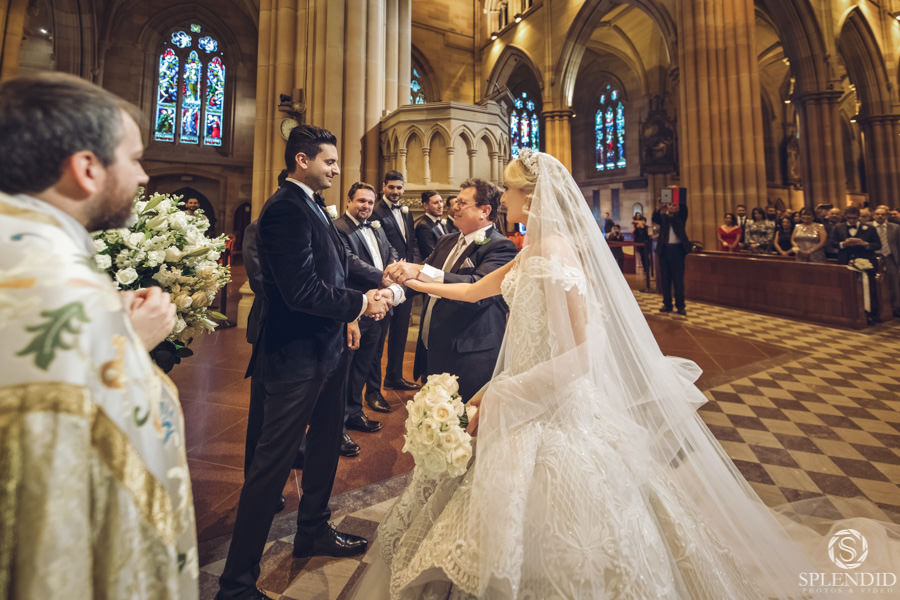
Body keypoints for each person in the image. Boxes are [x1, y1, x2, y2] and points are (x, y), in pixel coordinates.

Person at [353, 149, 900, 599]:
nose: (507, 200)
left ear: (531, 197)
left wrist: (508, 389)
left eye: (512, 191)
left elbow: (584, 353)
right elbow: (475, 290)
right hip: (520, 388)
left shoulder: (557, 254)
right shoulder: (531, 249)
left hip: (551, 401)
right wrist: (411, 281)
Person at [0, 73, 197, 598]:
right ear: (87, 169)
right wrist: (126, 343)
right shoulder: (62, 288)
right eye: (133, 158)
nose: (143, 176)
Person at [216, 125, 389, 600]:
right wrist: (361, 304)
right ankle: (236, 583)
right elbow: (302, 290)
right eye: (329, 161)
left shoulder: (313, 205)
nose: (335, 169)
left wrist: (382, 278)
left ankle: (312, 529)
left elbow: (340, 263)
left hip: (327, 349)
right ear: (302, 160)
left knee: (327, 444)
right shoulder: (285, 210)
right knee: (270, 468)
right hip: (295, 358)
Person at [386, 179, 518, 402]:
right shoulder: (446, 241)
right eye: (456, 201)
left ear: (485, 211)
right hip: (433, 346)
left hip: (468, 353)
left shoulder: (501, 247)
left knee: (464, 417)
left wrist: (419, 270)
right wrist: (391, 293)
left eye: (462, 203)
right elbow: (418, 278)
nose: (454, 207)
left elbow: (477, 286)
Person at [334, 181, 406, 452]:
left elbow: (391, 251)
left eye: (369, 202)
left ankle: (354, 412)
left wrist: (393, 272)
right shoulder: (339, 228)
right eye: (361, 201)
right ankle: (337, 426)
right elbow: (349, 261)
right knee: (345, 368)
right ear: (349, 201)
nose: (365, 206)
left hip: (380, 304)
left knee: (365, 363)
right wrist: (383, 279)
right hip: (356, 306)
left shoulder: (376, 225)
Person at [368, 171, 420, 405]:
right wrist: (394, 272)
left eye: (399, 187)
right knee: (379, 338)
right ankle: (373, 390)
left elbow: (412, 243)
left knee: (400, 331)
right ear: (383, 187)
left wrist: (411, 269)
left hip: (405, 282)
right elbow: (382, 246)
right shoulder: (375, 211)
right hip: (387, 280)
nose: (396, 192)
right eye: (391, 187)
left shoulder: (406, 212)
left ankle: (394, 376)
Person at [652, 195, 690, 316]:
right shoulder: (664, 217)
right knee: (665, 279)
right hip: (664, 250)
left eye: (674, 205)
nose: (672, 207)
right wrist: (659, 207)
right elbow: (655, 218)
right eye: (670, 205)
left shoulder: (681, 216)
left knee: (678, 280)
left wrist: (675, 194)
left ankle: (680, 306)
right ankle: (667, 305)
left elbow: (683, 208)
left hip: (678, 250)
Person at [414, 190, 449, 259]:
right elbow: (431, 254)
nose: (440, 206)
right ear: (426, 206)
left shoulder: (441, 223)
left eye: (441, 201)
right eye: (435, 203)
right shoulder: (423, 226)